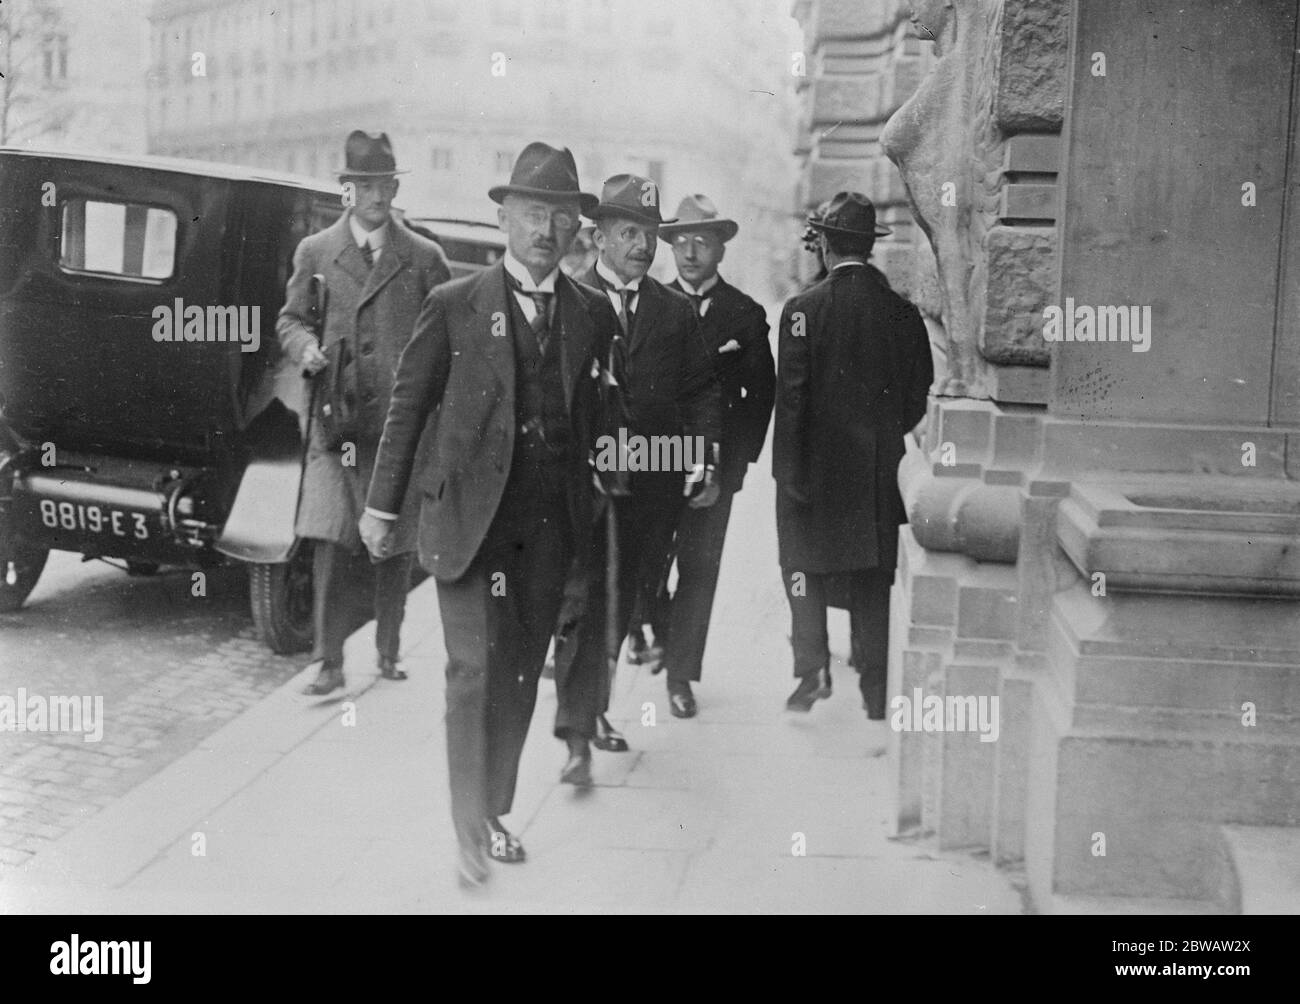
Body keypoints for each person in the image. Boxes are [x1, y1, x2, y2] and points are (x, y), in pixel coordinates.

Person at [360, 142, 619, 887]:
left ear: (577, 229)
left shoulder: (593, 316)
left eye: (561, 215)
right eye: (533, 211)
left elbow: (606, 415)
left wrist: (619, 478)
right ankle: (467, 829)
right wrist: (381, 507)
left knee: (514, 674)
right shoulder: (454, 305)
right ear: (504, 216)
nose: (546, 228)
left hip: (547, 529)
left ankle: (495, 808)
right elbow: (408, 410)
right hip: (466, 526)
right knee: (470, 671)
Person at [276, 130, 450, 697]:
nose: (377, 196)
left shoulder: (424, 259)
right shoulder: (316, 253)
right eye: (365, 185)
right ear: (347, 191)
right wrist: (306, 349)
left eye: (386, 185)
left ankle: (389, 649)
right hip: (334, 423)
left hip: (395, 430)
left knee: (391, 544)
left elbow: (449, 336)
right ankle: (328, 662)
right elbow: (290, 320)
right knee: (329, 536)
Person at [555, 173, 723, 758]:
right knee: (583, 598)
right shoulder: (567, 299)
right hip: (582, 485)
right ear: (598, 236)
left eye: (650, 234)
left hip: (650, 484)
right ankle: (578, 730)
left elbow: (702, 392)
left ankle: (593, 709)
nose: (644, 247)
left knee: (622, 598)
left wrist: (702, 458)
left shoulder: (674, 312)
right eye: (629, 232)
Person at [774, 191, 933, 718]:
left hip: (813, 470)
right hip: (876, 471)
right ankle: (873, 686)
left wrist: (788, 474)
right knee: (873, 574)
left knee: (802, 567)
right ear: (870, 246)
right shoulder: (904, 314)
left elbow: (791, 400)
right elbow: (918, 397)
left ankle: (811, 669)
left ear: (822, 244)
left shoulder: (802, 312)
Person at [648, 194, 775, 718]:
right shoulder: (650, 304)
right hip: (656, 460)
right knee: (650, 563)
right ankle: (658, 630)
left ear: (721, 250)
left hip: (714, 466)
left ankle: (680, 675)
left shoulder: (743, 315)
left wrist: (736, 465)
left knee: (699, 568)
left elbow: (761, 397)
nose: (691, 252)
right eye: (681, 241)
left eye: (703, 241)